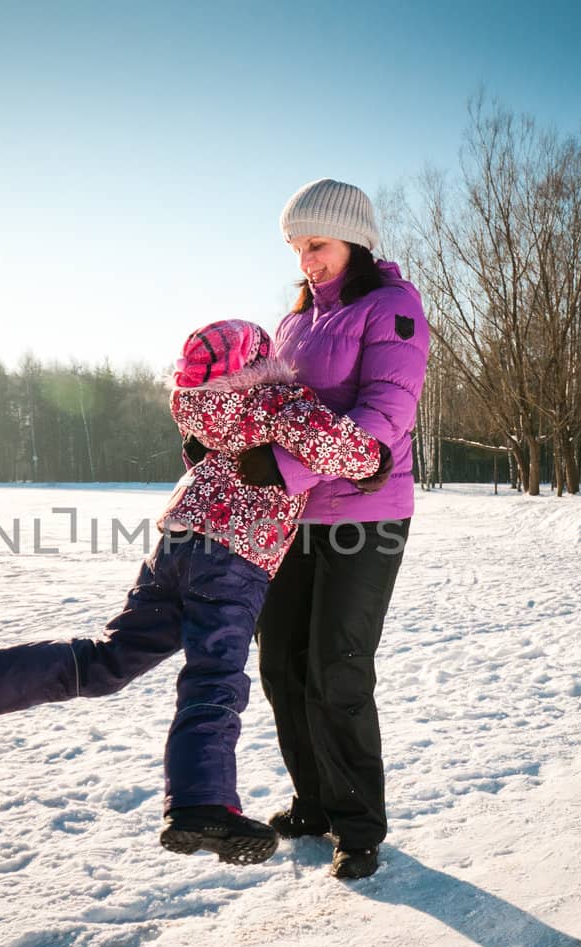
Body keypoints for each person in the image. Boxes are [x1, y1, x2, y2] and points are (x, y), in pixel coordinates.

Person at [0, 320, 384, 866]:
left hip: (176, 544)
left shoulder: (199, 409)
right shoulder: (275, 400)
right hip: (232, 558)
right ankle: (202, 800)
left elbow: (204, 464)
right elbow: (341, 448)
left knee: (108, 658)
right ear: (263, 362)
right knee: (214, 675)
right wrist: (375, 461)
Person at [241, 178, 429, 880]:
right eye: (296, 248)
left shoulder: (393, 308)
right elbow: (263, 406)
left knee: (335, 668)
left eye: (315, 244)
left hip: (367, 514)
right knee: (280, 661)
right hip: (299, 517)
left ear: (356, 239)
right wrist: (221, 439)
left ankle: (357, 825)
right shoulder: (294, 323)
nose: (306, 261)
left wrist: (280, 470)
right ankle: (314, 800)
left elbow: (383, 418)